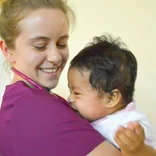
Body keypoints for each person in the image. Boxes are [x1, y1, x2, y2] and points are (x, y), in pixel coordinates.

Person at [0, 0, 155, 155]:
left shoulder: (22, 101)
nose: (55, 57)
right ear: (7, 50)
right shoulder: (34, 106)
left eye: (61, 44)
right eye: (40, 45)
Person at [67, 34, 156, 155]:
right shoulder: (93, 116)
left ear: (111, 98)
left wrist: (139, 150)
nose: (70, 98)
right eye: (70, 91)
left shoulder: (130, 125)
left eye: (77, 93)